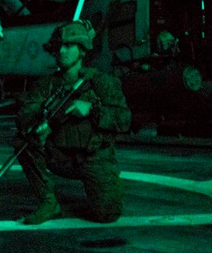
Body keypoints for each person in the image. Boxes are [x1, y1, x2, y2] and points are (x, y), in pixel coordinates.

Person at [14, 20, 131, 224]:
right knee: (23, 143)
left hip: (93, 157)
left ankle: (108, 184)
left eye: (69, 46)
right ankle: (48, 202)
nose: (62, 51)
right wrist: (40, 121)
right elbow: (25, 114)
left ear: (83, 50)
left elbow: (123, 120)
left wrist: (92, 110)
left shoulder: (102, 82)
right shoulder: (46, 85)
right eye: (58, 47)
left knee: (106, 215)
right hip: (59, 156)